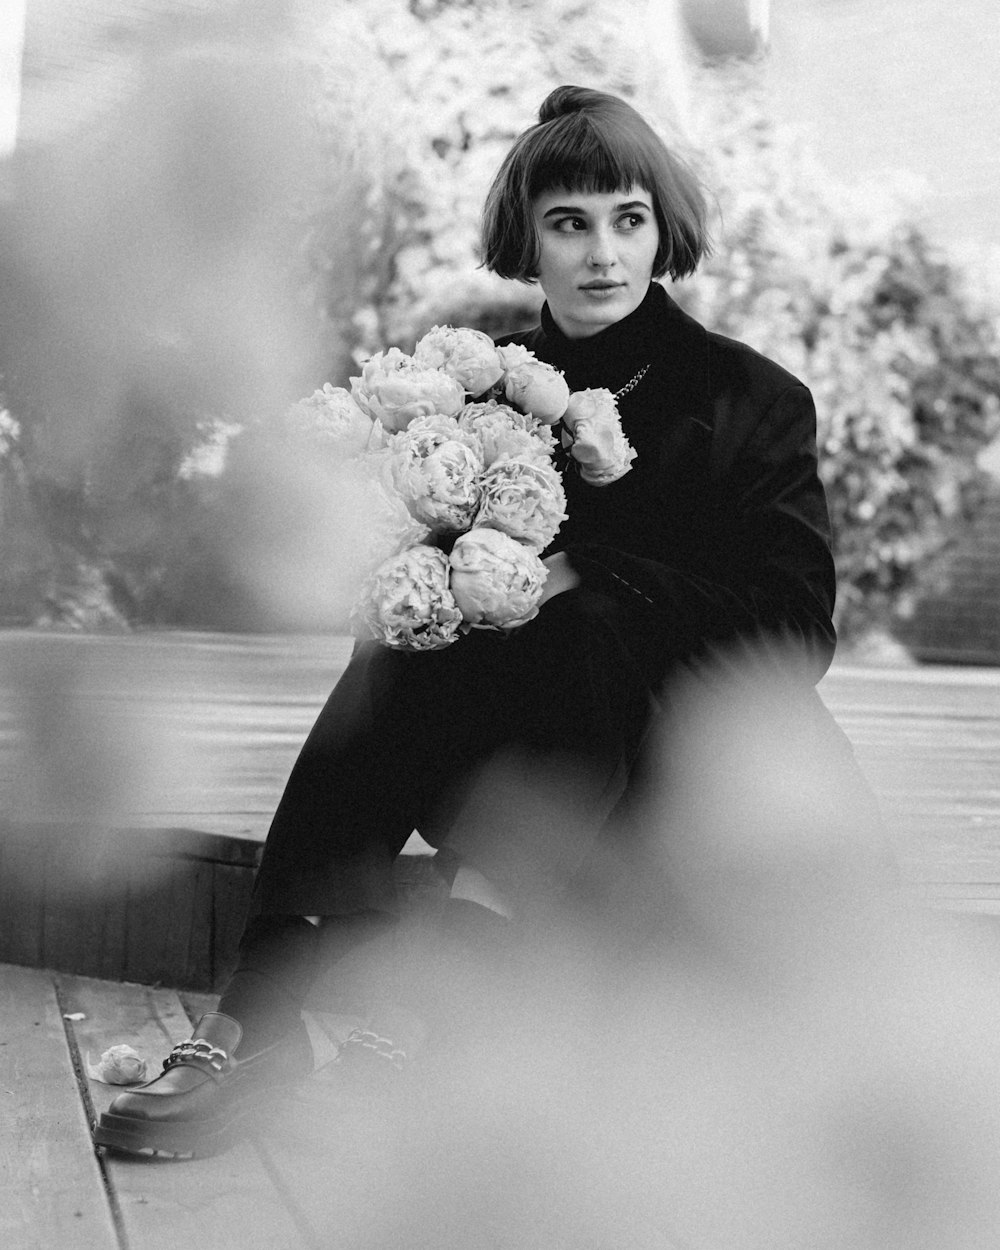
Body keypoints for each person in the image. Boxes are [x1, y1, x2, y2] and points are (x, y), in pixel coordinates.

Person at [94, 83, 868, 1160]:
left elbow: (795, 634)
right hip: (499, 762)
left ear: (662, 230)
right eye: (569, 222)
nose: (602, 252)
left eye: (627, 218)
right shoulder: (470, 388)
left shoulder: (749, 399)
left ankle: (441, 993)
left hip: (682, 776)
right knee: (409, 621)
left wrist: (589, 569)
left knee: (586, 614)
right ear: (529, 237)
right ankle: (267, 1007)